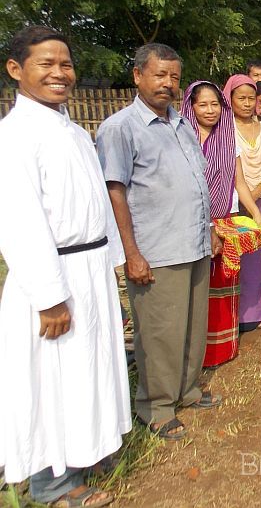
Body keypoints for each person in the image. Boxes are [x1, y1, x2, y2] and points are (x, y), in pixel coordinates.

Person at [0, 25, 131, 507]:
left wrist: (113, 262)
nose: (60, 73)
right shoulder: (14, 136)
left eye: (66, 64)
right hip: (54, 277)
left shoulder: (72, 131)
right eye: (46, 64)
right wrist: (49, 295)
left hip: (91, 267)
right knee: (54, 377)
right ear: (16, 70)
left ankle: (90, 450)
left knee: (90, 367)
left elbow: (95, 203)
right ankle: (54, 485)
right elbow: (20, 223)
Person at [97, 43, 222, 442]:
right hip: (156, 250)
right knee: (160, 333)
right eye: (159, 75)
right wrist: (131, 253)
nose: (168, 84)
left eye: (173, 77)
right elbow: (115, 192)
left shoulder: (182, 123)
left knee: (190, 328)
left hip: (194, 242)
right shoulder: (120, 128)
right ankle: (155, 407)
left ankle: (186, 390)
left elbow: (196, 182)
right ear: (137, 76)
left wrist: (210, 229)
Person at [180, 81, 261, 366]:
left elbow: (239, 182)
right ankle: (193, 355)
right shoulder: (181, 138)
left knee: (224, 285)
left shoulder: (229, 140)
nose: (210, 110)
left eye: (215, 104)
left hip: (224, 221)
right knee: (196, 289)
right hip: (190, 224)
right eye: (202, 104)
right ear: (191, 106)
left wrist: (257, 214)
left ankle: (221, 350)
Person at [223, 74, 261, 331]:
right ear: (230, 99)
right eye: (242, 98)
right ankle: (231, 315)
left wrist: (259, 188)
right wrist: (243, 192)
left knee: (258, 256)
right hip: (232, 204)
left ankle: (255, 313)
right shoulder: (224, 130)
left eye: (252, 98)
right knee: (233, 257)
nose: (248, 104)